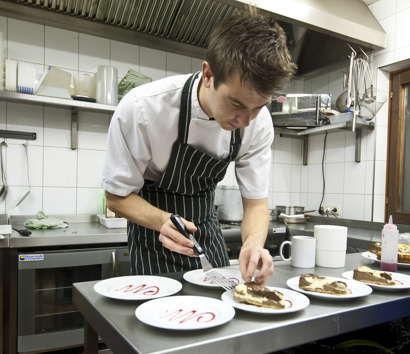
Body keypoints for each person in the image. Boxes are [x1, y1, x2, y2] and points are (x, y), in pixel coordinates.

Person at [102, 7, 296, 285]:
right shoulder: (143, 108)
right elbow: (116, 198)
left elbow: (256, 205)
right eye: (237, 104)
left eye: (257, 107)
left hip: (207, 234)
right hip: (153, 236)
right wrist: (161, 221)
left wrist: (253, 243)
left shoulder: (258, 122)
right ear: (208, 74)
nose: (245, 120)